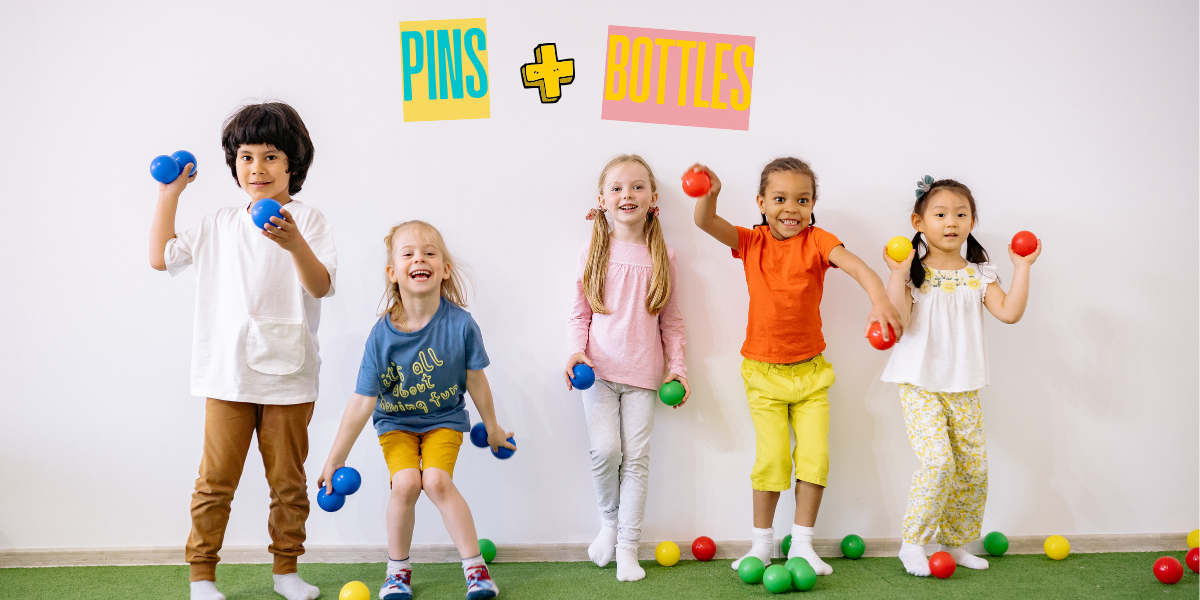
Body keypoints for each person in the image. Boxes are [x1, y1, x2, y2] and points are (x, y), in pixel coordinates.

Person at [149, 102, 334, 600]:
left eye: (271, 156)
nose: (258, 168)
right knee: (214, 483)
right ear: (233, 164)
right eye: (247, 156)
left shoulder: (308, 221)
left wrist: (294, 243)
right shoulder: (216, 224)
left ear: (293, 163)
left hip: (289, 375)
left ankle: (286, 572)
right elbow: (159, 257)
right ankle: (202, 577)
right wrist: (171, 194)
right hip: (226, 376)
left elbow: (319, 286)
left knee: (288, 484)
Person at [690, 158, 902, 576]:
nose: (792, 208)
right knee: (771, 461)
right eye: (781, 198)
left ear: (813, 204)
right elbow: (705, 223)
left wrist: (880, 301)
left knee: (815, 458)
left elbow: (858, 266)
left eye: (802, 200)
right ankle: (762, 545)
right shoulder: (751, 241)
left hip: (810, 374)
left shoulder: (819, 241)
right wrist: (708, 196)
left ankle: (802, 544)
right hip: (763, 374)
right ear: (762, 203)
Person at [320, 221, 512, 600]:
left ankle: (476, 570)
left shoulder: (461, 325)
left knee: (437, 481)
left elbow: (477, 382)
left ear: (444, 269)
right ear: (393, 273)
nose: (419, 258)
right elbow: (363, 401)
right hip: (396, 423)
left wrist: (493, 428)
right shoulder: (382, 334)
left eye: (429, 252)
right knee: (407, 483)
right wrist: (334, 459)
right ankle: (397, 574)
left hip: (444, 420)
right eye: (407, 253)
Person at [880, 177, 1040, 576]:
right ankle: (913, 542)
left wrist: (1022, 267)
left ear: (972, 221)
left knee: (972, 469)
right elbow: (897, 320)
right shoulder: (915, 273)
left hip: (963, 386)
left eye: (960, 214)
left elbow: (1009, 312)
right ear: (919, 222)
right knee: (937, 464)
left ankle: (952, 544)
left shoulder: (980, 275)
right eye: (940, 214)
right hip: (919, 384)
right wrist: (897, 273)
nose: (951, 221)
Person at [565, 155, 688, 582]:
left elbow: (671, 322)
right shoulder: (593, 250)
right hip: (596, 373)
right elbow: (579, 315)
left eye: (637, 187)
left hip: (643, 376)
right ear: (602, 200)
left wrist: (679, 369)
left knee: (636, 459)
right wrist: (574, 353)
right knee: (606, 451)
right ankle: (609, 525)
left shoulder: (664, 255)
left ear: (653, 199)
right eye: (617, 188)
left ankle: (627, 549)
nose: (627, 195)